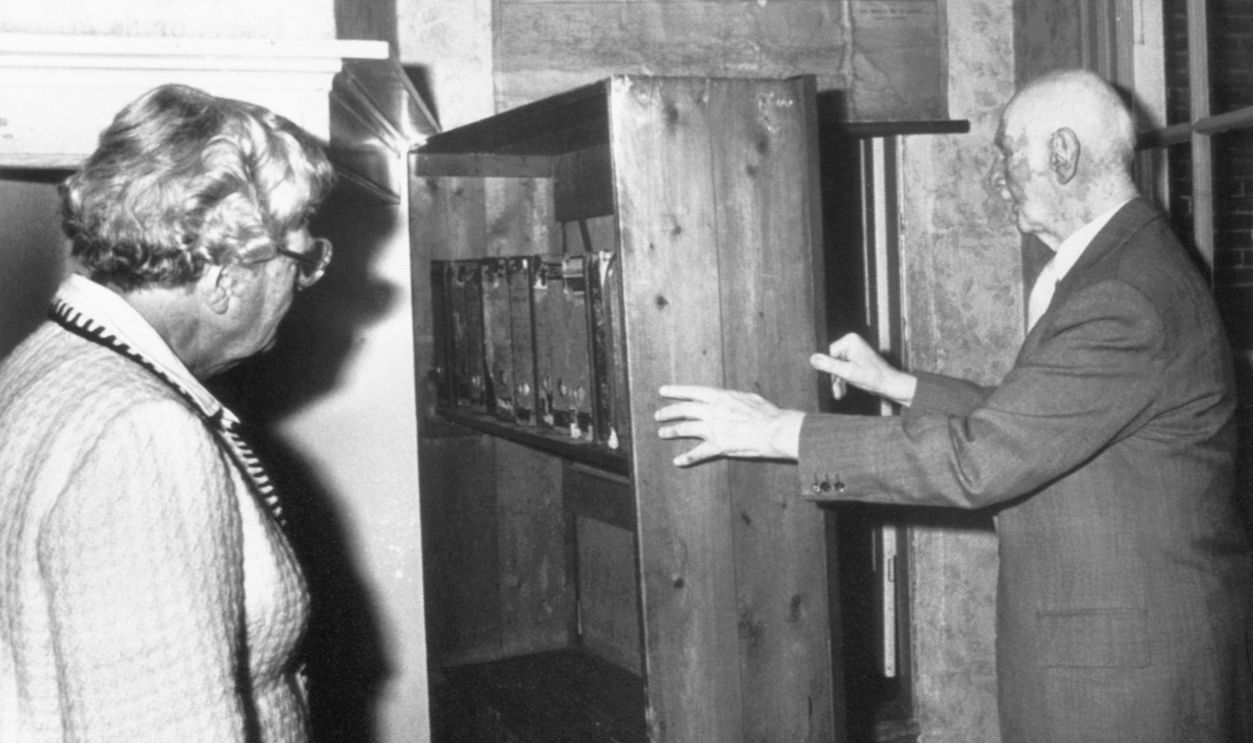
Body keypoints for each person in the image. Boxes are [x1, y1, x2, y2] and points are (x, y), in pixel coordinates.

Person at [655, 68, 1253, 741]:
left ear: (1062, 154)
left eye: (1008, 153)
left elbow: (982, 461)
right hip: (1121, 655)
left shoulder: (1122, 296)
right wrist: (899, 385)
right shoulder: (1124, 264)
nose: (997, 178)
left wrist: (780, 431)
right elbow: (1037, 420)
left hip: (1127, 679)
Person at [0, 83, 336, 742]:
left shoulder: (40, 363)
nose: (300, 282)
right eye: (299, 258)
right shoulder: (144, 433)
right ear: (225, 279)